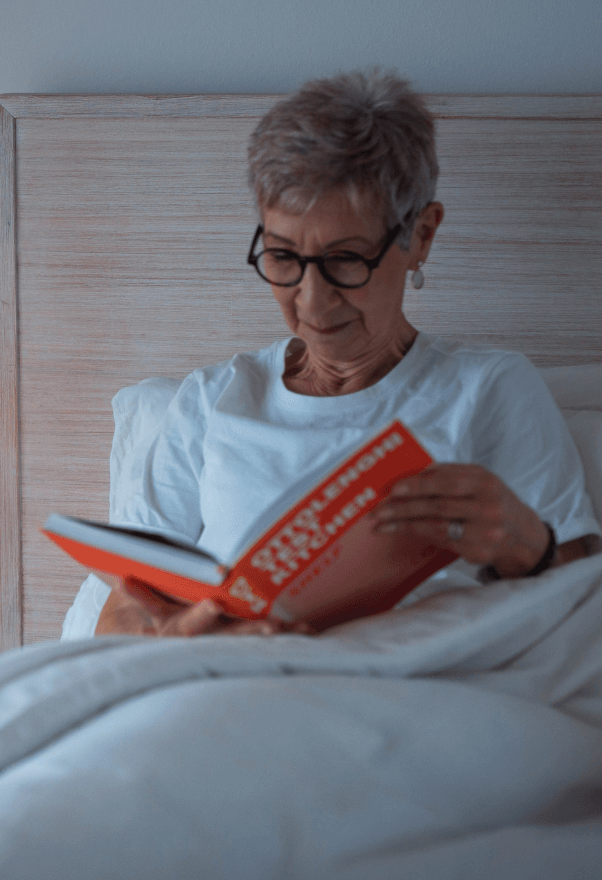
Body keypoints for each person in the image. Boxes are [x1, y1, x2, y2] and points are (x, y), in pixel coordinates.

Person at [62, 69, 601, 640]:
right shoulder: (210, 399)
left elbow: (584, 614)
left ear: (420, 236)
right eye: (283, 257)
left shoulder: (488, 388)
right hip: (224, 676)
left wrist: (528, 544)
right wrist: (188, 636)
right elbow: (122, 610)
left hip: (413, 682)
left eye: (346, 259)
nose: (312, 299)